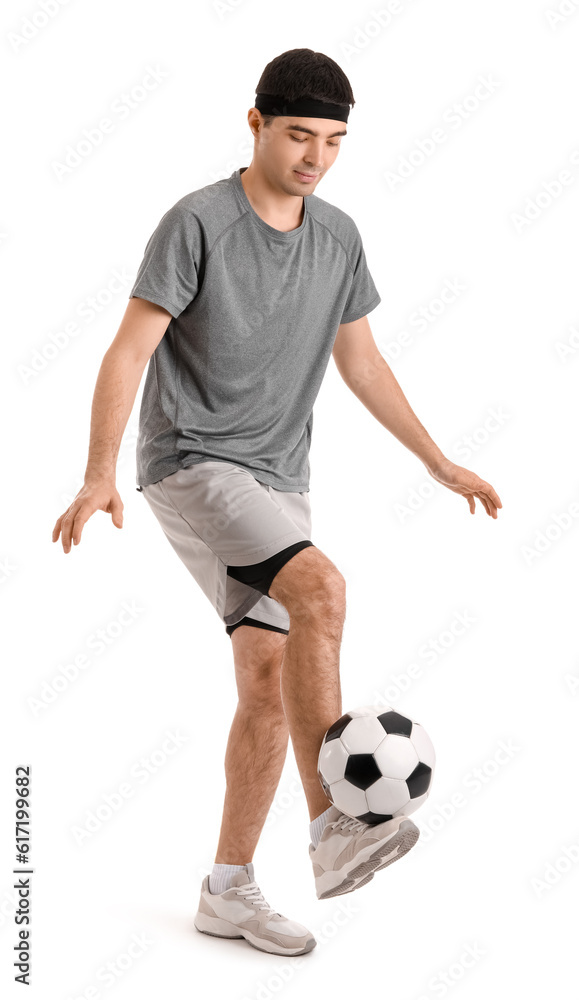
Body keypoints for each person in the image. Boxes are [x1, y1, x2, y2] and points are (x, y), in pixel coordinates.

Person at [52, 48, 502, 958]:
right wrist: (100, 470)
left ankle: (227, 890)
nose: (315, 156)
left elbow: (360, 360)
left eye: (333, 141)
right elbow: (128, 352)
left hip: (279, 478)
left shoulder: (337, 235)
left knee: (266, 681)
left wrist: (436, 460)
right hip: (192, 462)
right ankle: (336, 827)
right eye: (299, 134)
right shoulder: (196, 222)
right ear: (255, 123)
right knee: (323, 592)